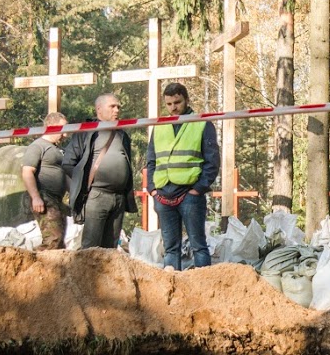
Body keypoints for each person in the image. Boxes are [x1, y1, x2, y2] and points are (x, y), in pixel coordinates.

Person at [146, 82, 219, 269]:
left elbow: (212, 161)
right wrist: (152, 190)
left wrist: (198, 189)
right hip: (163, 194)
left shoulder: (201, 123)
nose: (173, 108)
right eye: (169, 104)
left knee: (198, 247)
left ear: (186, 100)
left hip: (190, 194)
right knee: (170, 248)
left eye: (177, 102)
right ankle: (172, 292)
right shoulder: (160, 126)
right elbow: (151, 161)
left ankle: (203, 289)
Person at [64, 94, 134, 250]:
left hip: (119, 198)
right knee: (91, 248)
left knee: (111, 249)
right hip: (96, 196)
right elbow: (68, 162)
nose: (117, 110)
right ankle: (84, 275)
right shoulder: (86, 132)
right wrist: (83, 184)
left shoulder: (122, 134)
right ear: (99, 109)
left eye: (118, 107)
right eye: (112, 106)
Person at [21, 112, 70, 251]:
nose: (65, 135)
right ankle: (31, 265)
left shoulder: (59, 150)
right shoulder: (38, 146)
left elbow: (65, 175)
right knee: (53, 240)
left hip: (57, 199)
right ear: (51, 126)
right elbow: (27, 171)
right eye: (62, 129)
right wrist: (36, 197)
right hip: (44, 197)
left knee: (59, 242)